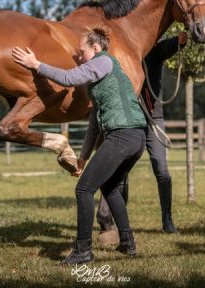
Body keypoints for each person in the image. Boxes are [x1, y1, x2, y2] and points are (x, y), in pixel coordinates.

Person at [12, 26, 147, 264]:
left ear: (95, 48)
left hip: (123, 136)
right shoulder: (101, 81)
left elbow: (68, 78)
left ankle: (83, 251)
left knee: (84, 190)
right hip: (135, 138)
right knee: (111, 188)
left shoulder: (104, 61)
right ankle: (127, 243)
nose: (79, 58)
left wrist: (36, 65)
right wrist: (83, 158)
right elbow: (94, 124)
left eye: (81, 52)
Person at [96, 32, 187, 239]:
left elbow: (172, 44)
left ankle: (167, 219)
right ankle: (120, 223)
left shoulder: (154, 50)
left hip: (153, 118)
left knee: (161, 169)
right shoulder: (121, 53)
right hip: (129, 118)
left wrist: (182, 38)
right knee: (122, 175)